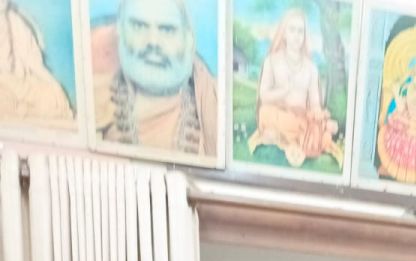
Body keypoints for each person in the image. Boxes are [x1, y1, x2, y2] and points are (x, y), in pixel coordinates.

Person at [92, 0, 218, 158]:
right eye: (139, 26)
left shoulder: (216, 104)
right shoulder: (93, 102)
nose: (152, 42)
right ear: (120, 32)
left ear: (189, 40)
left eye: (167, 29)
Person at [248, 8, 341, 169]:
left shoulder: (311, 68)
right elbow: (264, 96)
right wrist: (283, 92)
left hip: (302, 118)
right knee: (265, 113)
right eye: (292, 30)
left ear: (305, 36)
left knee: (314, 127)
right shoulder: (271, 61)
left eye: (300, 31)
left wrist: (319, 116)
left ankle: (288, 136)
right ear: (284, 33)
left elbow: (315, 104)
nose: (296, 35)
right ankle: (290, 135)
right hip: (277, 113)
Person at [0, 0, 73, 125]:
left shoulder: (17, 23)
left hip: (21, 83)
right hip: (5, 88)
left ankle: (25, 111)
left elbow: (34, 64)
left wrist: (53, 85)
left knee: (53, 98)